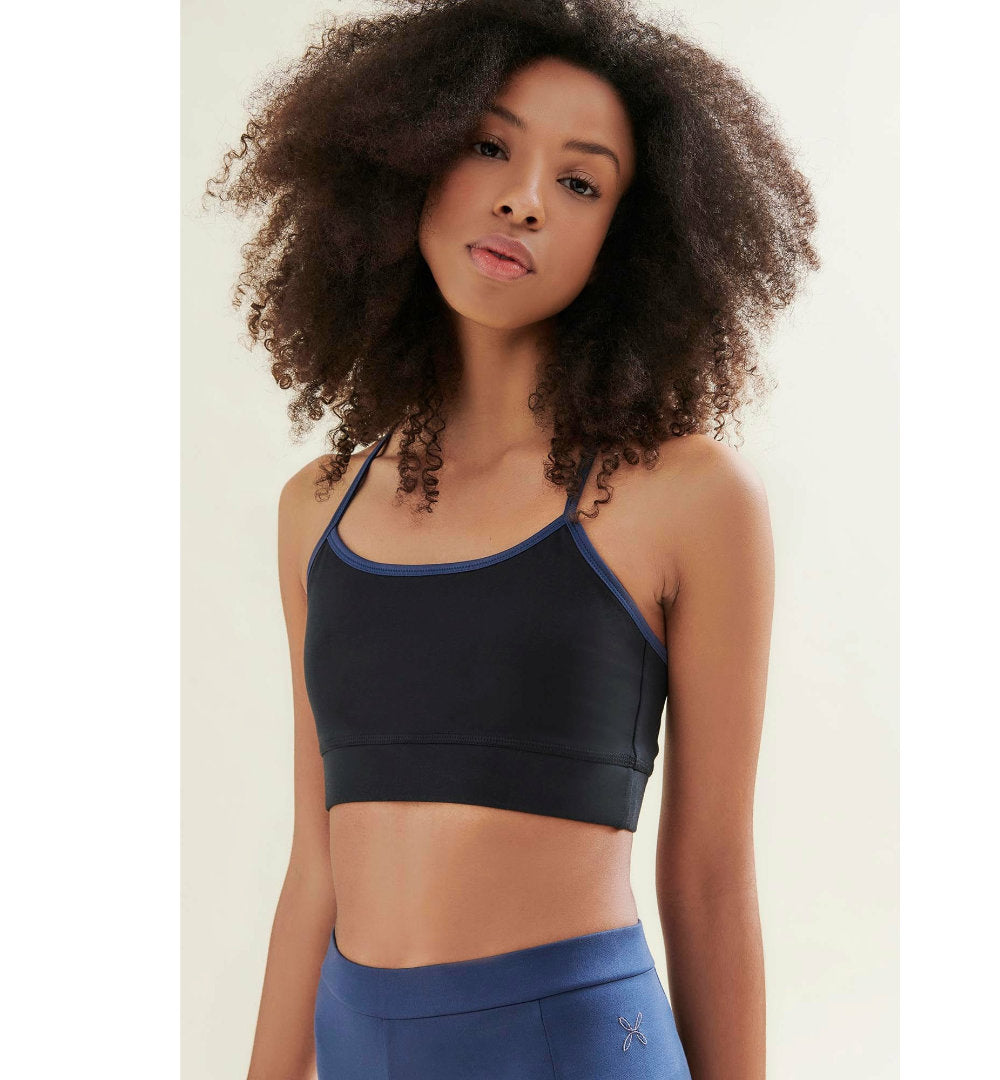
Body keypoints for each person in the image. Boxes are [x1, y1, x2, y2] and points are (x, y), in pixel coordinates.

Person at [206, 1, 819, 1076]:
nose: (523, 199)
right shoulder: (318, 509)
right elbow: (315, 869)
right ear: (405, 159)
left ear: (629, 239)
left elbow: (710, 878)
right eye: (490, 146)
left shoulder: (684, 497)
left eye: (580, 184)